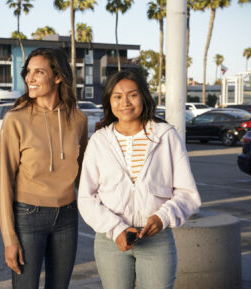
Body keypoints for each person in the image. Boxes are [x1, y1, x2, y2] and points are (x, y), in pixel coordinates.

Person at [78, 69, 201, 289]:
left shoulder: (166, 136)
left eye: (132, 95)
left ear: (143, 97)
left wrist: (163, 216)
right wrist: (116, 229)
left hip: (157, 240)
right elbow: (86, 197)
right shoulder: (99, 140)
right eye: (117, 96)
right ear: (109, 101)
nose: (125, 102)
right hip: (111, 241)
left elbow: (187, 193)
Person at [0, 47, 88, 289]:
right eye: (28, 72)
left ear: (58, 76)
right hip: (28, 217)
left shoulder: (79, 119)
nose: (30, 78)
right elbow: (5, 181)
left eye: (39, 72)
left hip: (68, 216)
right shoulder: (15, 119)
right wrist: (9, 238)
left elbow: (86, 177)